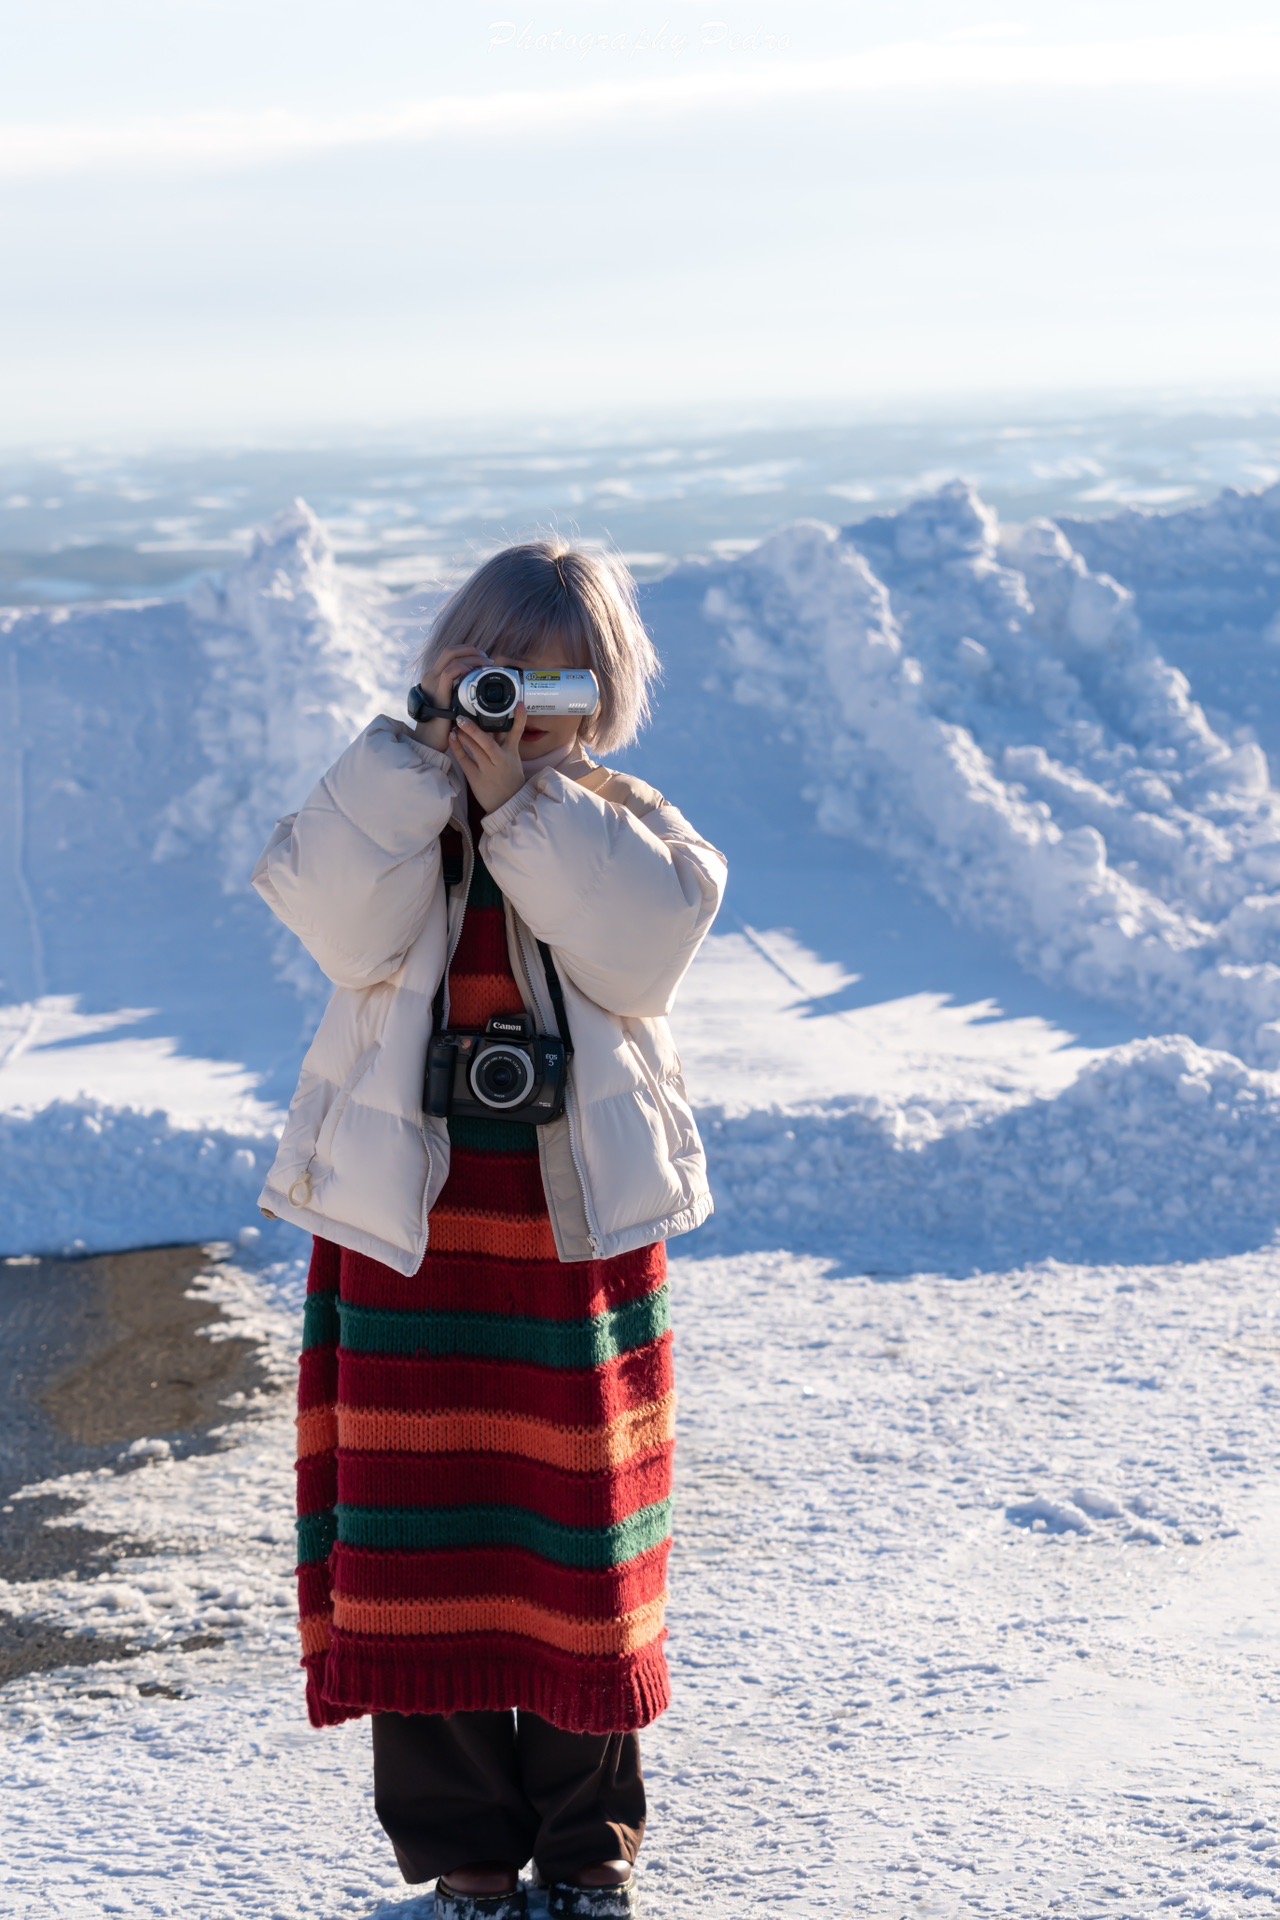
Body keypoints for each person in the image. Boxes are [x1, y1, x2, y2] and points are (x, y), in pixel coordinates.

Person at [249, 538, 728, 1919]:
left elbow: (639, 949)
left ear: (605, 695)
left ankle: (588, 1850)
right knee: (420, 1544)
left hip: (568, 1240)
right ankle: (465, 1852)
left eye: (545, 677)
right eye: (486, 668)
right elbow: (337, 922)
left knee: (576, 1546)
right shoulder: (394, 810)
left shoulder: (622, 820)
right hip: (414, 1231)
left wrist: (530, 801)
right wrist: (424, 758)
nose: (512, 701)